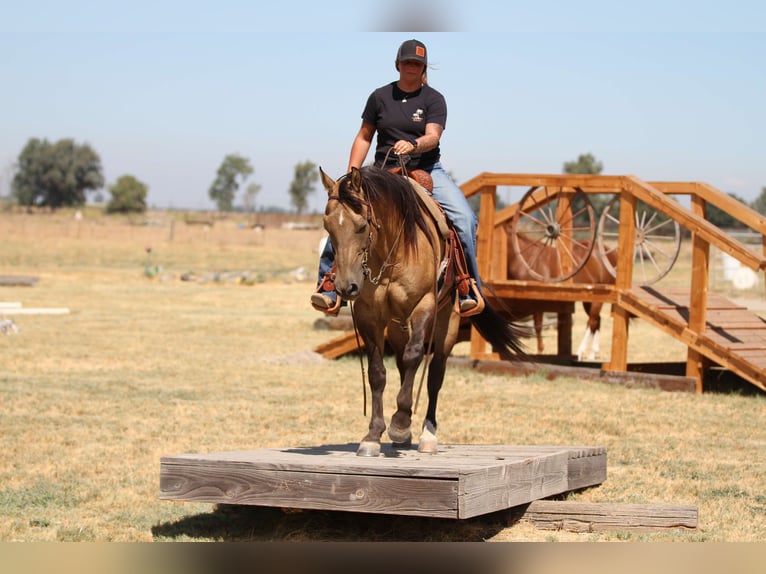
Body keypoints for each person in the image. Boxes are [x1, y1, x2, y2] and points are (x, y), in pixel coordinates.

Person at [312, 38, 482, 315]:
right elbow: (365, 136)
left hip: (426, 169)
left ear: (423, 67)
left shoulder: (434, 99)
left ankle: (467, 287)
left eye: (417, 63)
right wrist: (351, 175)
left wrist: (414, 145)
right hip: (382, 173)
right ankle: (328, 286)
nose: (411, 67)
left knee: (464, 218)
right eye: (407, 62)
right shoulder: (379, 97)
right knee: (343, 216)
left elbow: (433, 135)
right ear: (397, 64)